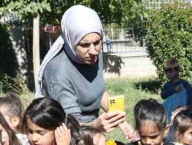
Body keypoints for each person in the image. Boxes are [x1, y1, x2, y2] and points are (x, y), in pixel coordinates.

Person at [36, 5, 131, 136]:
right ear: (70, 41)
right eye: (84, 45)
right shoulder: (58, 72)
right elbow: (69, 124)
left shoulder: (91, 56)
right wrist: (95, 126)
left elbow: (98, 92)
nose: (93, 51)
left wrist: (119, 120)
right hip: (69, 135)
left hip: (91, 132)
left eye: (97, 42)